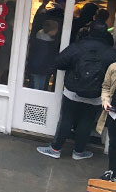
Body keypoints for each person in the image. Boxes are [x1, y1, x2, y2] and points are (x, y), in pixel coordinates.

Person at [38, 21, 116, 160]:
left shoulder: (78, 47)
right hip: (96, 95)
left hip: (72, 92)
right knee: (86, 121)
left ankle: (55, 149)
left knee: (67, 119)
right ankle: (78, 152)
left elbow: (58, 63)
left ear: (89, 31)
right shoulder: (111, 53)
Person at [27, 19, 59, 90]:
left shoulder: (38, 38)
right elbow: (46, 57)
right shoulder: (49, 44)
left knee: (36, 85)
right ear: (51, 31)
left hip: (36, 67)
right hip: (42, 68)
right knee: (39, 86)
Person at [98, 62, 116, 181]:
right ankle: (112, 171)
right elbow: (106, 86)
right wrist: (105, 101)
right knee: (113, 143)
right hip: (113, 113)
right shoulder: (113, 67)